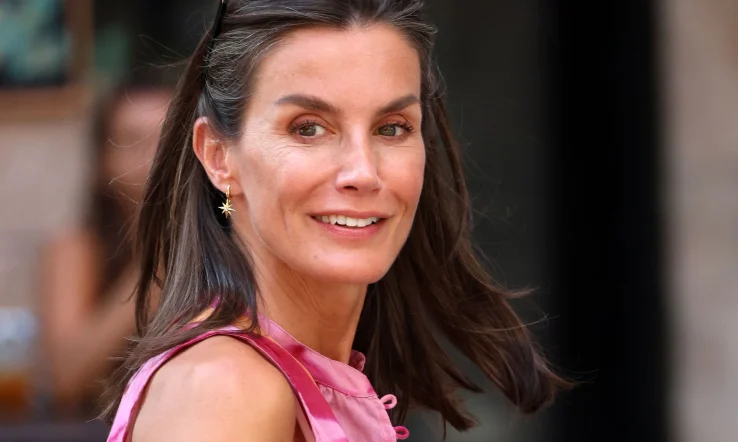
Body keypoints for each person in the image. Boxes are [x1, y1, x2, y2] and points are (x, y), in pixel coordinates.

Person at [102, 0, 570, 440]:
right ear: (218, 156)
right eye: (308, 128)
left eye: (392, 128)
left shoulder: (284, 374)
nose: (363, 172)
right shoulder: (226, 388)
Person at [39, 83, 170, 416]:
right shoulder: (79, 247)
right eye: (133, 141)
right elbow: (65, 378)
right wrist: (157, 266)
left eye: (169, 139)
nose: (155, 158)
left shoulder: (233, 234)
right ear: (104, 160)